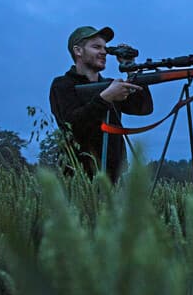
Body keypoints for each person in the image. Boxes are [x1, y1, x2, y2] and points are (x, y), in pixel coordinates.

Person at [49, 26, 153, 182]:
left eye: (105, 48)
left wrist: (131, 68)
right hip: (78, 178)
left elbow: (143, 108)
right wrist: (105, 98)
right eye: (96, 47)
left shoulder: (110, 85)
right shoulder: (62, 85)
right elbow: (72, 124)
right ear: (78, 51)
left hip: (114, 176)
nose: (104, 52)